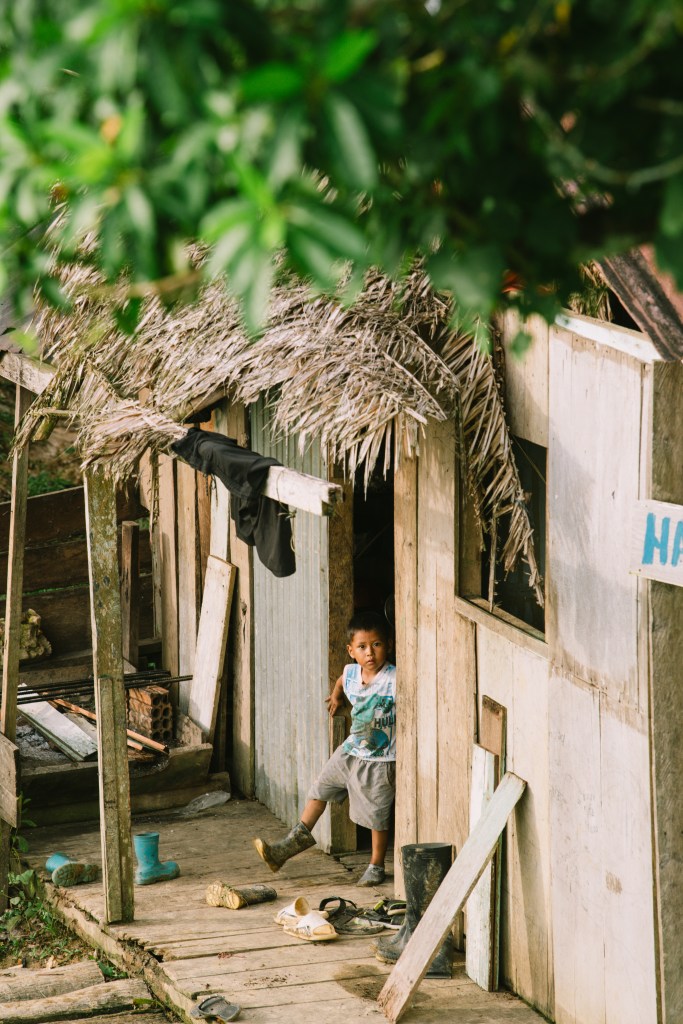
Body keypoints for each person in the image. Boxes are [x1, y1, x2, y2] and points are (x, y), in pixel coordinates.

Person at [253, 610, 396, 887]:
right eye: (362, 647)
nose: (370, 653)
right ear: (351, 650)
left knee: (377, 815)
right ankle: (290, 845)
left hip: (380, 759)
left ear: (387, 645)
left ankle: (376, 865)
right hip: (350, 751)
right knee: (319, 790)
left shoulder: (393, 679)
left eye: (376, 645)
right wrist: (335, 695)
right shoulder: (351, 672)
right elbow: (343, 680)